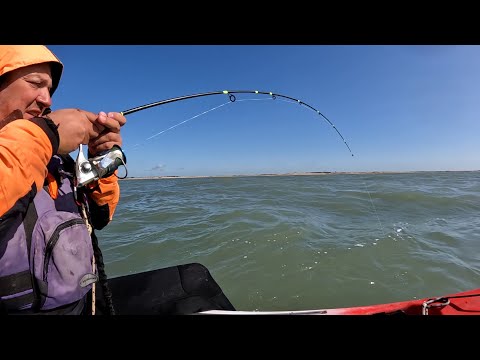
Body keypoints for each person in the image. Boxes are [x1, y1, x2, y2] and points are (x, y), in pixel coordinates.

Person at [0, 45, 126, 315]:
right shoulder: (42, 141)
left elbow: (100, 217)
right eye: (35, 84)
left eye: (50, 90)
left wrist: (101, 161)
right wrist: (45, 134)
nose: (47, 100)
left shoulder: (56, 160)